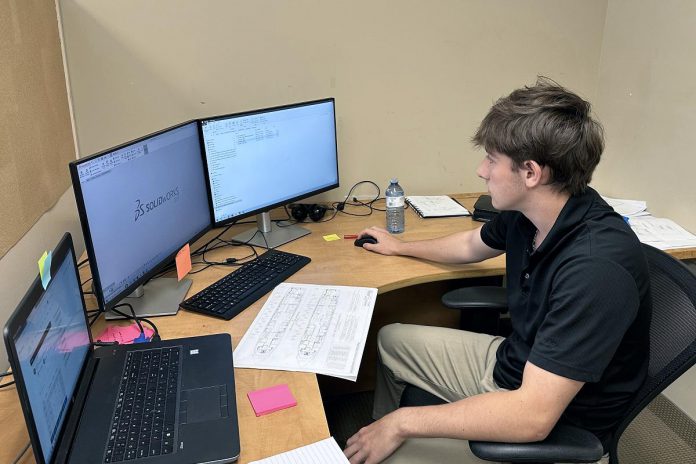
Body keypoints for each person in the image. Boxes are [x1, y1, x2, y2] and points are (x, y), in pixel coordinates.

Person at [343, 77, 652, 464]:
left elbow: (533, 417)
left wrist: (406, 423)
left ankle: (392, 444)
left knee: (398, 445)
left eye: (491, 158)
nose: (480, 170)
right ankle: (376, 436)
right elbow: (473, 244)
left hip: (556, 421)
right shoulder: (534, 212)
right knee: (391, 341)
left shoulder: (596, 271)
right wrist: (401, 248)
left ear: (531, 173)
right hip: (515, 364)